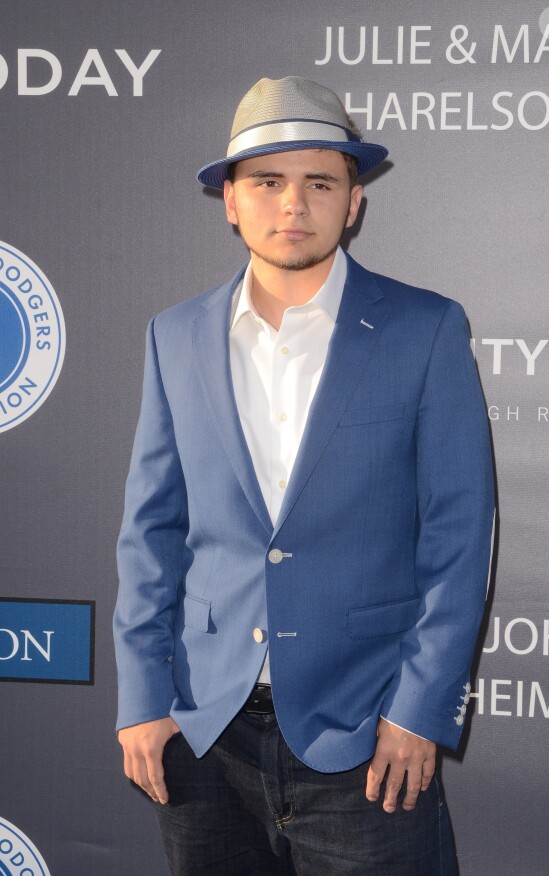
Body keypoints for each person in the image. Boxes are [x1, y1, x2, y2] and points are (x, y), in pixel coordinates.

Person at [114, 76, 495, 875]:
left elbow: (460, 538)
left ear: (353, 200)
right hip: (204, 732)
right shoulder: (174, 337)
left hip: (368, 739)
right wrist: (143, 699)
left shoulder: (424, 330)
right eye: (267, 182)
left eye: (319, 182)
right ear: (230, 200)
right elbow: (152, 533)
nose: (294, 204)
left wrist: (420, 713)